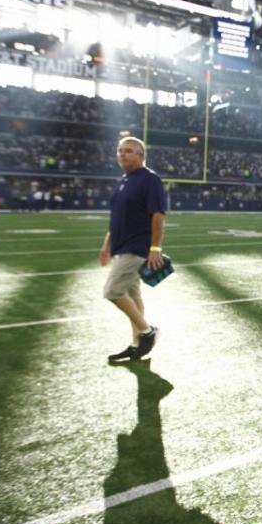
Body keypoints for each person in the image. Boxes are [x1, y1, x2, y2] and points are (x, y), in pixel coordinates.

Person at [100, 137, 165, 362]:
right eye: (119, 150)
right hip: (121, 246)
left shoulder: (150, 179)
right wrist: (107, 244)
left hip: (136, 247)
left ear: (140, 155)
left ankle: (147, 332)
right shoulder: (124, 180)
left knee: (113, 291)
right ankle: (136, 343)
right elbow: (117, 217)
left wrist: (155, 248)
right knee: (132, 294)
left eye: (128, 151)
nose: (122, 154)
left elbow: (158, 214)